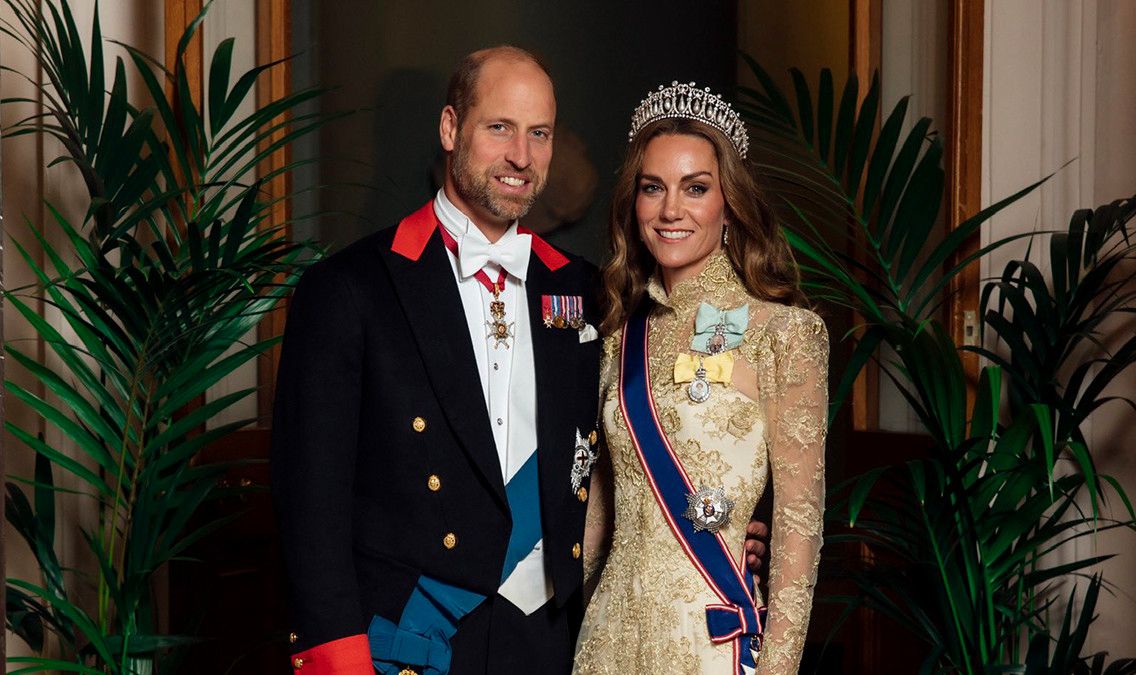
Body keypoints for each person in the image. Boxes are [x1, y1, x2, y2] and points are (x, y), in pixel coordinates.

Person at [271, 50, 767, 675]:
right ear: (451, 129)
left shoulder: (589, 292)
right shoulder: (349, 290)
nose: (521, 157)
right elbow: (309, 503)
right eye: (499, 128)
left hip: (547, 641)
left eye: (540, 134)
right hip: (410, 640)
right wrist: (339, 661)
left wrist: (735, 523)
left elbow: (676, 417)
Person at [574, 82, 828, 674]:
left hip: (710, 645)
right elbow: (599, 511)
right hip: (607, 640)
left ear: (729, 202)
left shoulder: (784, 334)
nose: (670, 210)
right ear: (632, 204)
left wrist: (779, 668)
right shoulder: (617, 333)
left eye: (695, 188)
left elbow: (798, 527)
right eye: (652, 188)